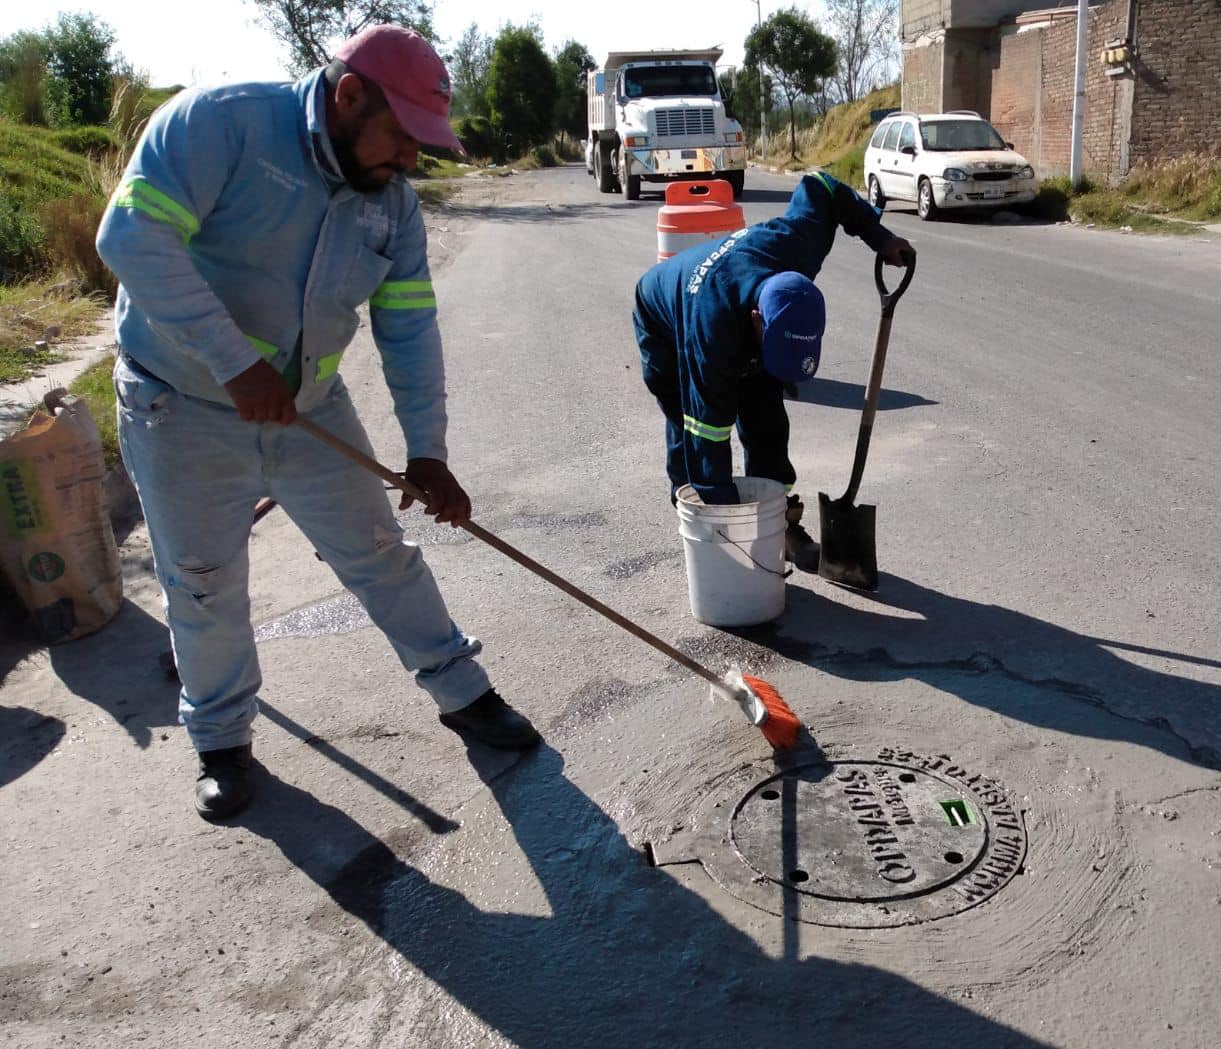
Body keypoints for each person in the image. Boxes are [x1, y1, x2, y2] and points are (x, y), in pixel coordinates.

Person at [96, 25, 540, 822]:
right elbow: (130, 237)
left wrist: (427, 453)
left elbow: (407, 327)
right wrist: (233, 363)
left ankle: (464, 694)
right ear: (347, 96)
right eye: (402, 137)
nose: (409, 161)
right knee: (202, 585)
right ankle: (222, 742)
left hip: (308, 411)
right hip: (182, 406)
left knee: (381, 554)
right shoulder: (218, 125)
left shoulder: (392, 205)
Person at [632, 172, 915, 571]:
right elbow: (706, 435)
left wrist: (879, 237)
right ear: (756, 322)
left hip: (742, 308)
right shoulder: (710, 336)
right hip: (663, 314)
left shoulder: (799, 243)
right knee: (690, 423)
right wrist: (732, 530)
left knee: (765, 416)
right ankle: (703, 528)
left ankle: (778, 522)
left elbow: (823, 187)